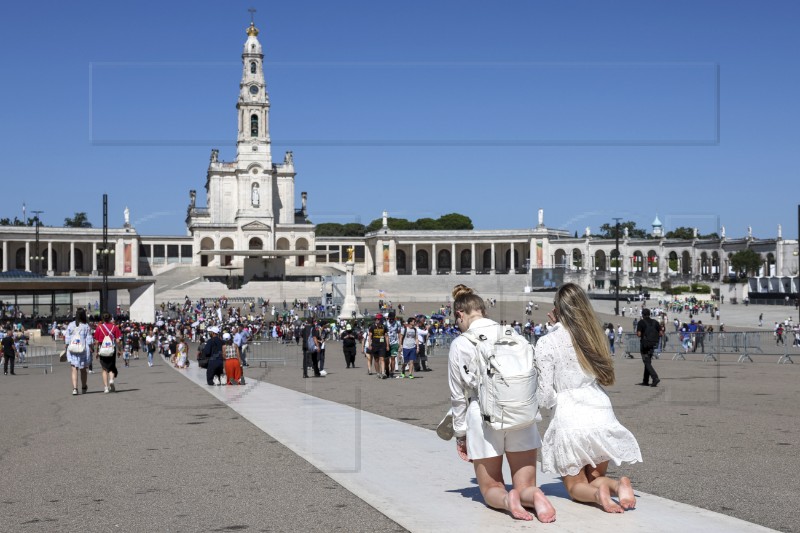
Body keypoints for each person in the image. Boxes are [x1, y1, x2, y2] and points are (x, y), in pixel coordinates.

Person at [447, 284, 555, 522]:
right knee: (525, 483)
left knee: (492, 486)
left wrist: (460, 434)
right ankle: (534, 495)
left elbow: (457, 397)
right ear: (483, 311)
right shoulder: (512, 334)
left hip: (484, 416)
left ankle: (508, 500)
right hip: (521, 412)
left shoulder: (461, 343)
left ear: (460, 314)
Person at [536, 283, 641, 513]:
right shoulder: (595, 336)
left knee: (576, 487)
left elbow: (545, 396)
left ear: (558, 310)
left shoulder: (546, 342)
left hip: (571, 413)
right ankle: (617, 485)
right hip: (599, 410)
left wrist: (554, 330)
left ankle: (599, 496)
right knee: (595, 476)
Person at [93, 313, 122, 394]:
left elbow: (97, 341)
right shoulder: (114, 327)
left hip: (103, 349)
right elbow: (118, 340)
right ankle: (111, 380)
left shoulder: (99, 327)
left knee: (104, 368)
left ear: (102, 318)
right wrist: (120, 350)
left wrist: (96, 351)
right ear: (110, 318)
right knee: (112, 366)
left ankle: (106, 387)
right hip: (112, 349)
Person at [636, 308, 662, 387]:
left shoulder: (641, 322)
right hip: (653, 345)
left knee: (646, 362)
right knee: (648, 362)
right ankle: (645, 380)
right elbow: (661, 333)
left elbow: (639, 334)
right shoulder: (655, 322)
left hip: (645, 345)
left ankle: (655, 378)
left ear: (643, 315)